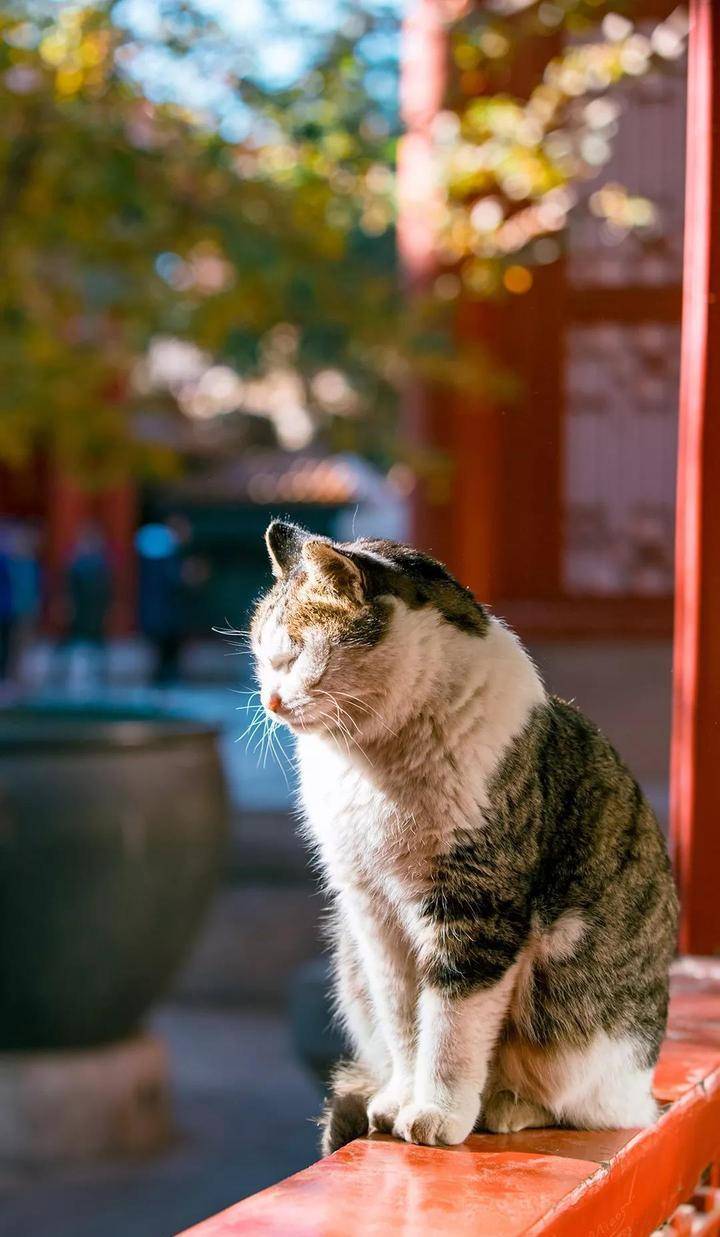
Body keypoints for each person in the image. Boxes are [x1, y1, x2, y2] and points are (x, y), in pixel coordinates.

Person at [136, 519, 187, 686]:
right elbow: (172, 581)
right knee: (164, 652)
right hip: (165, 615)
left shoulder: (155, 555)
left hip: (161, 613)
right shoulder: (166, 555)